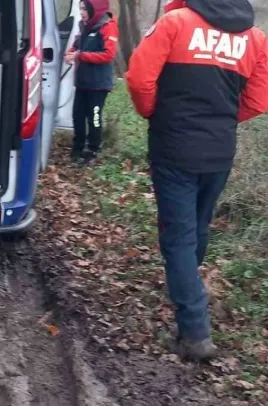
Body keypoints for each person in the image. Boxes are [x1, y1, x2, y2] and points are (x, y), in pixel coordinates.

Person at [125, 0, 268, 361]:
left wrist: (154, 113)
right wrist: (221, 121)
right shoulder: (255, 38)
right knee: (198, 228)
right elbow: (258, 100)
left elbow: (139, 79)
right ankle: (187, 287)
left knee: (178, 238)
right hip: (219, 152)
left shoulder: (175, 23)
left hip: (175, 149)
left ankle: (194, 333)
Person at [63, 0, 119, 165]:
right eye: (80, 8)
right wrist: (70, 55)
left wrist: (80, 56)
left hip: (99, 84)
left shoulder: (108, 26)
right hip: (82, 82)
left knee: (93, 117)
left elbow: (108, 55)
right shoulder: (84, 26)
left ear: (95, 9)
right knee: (77, 116)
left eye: (84, 9)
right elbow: (76, 47)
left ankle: (93, 149)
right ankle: (77, 148)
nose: (81, 12)